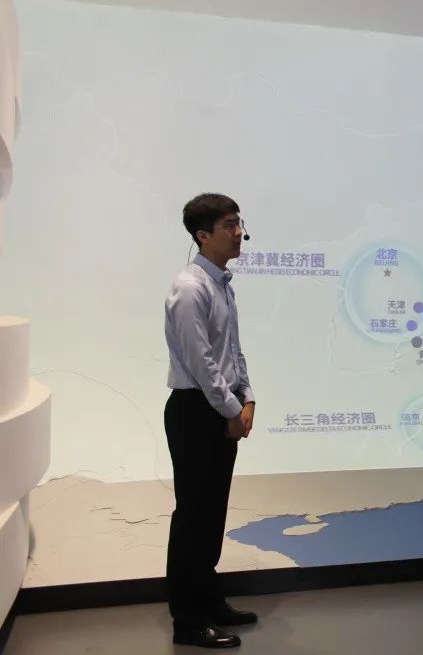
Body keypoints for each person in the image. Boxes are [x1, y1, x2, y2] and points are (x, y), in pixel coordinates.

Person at [163, 193, 257, 649]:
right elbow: (201, 363)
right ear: (202, 235)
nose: (239, 233)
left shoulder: (222, 284)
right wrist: (232, 410)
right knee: (193, 517)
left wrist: (248, 397)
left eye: (239, 223)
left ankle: (209, 600)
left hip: (220, 408)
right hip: (195, 411)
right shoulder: (190, 288)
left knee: (212, 513)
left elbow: (232, 351)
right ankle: (188, 621)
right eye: (229, 225)